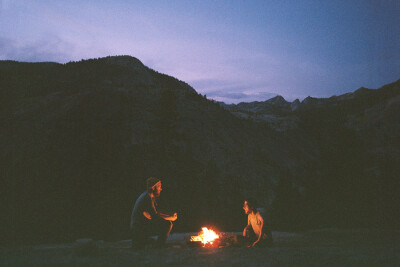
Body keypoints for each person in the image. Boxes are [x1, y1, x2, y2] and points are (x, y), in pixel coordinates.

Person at [130, 177, 177, 249]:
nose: (161, 189)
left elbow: (155, 213)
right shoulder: (148, 197)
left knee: (151, 241)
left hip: (139, 228)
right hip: (138, 229)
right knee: (168, 224)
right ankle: (160, 245)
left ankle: (147, 241)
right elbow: (155, 216)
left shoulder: (147, 195)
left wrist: (169, 215)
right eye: (159, 187)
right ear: (153, 187)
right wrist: (171, 218)